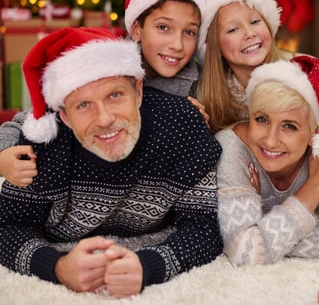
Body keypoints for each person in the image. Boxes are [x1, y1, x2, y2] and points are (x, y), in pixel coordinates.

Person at [0, 27, 223, 298]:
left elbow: (203, 227)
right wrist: (56, 266)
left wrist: (151, 265)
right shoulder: (44, 141)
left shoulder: (183, 126)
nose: (104, 119)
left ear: (138, 92)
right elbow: (8, 227)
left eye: (115, 95)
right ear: (66, 117)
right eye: (84, 105)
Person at [0, 0, 208, 186]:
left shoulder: (200, 84)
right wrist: (3, 158)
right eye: (163, 27)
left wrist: (202, 126)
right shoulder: (103, 65)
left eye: (189, 32)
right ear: (136, 29)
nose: (177, 45)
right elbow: (26, 121)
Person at [216, 55, 319, 266]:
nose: (270, 140)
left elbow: (250, 246)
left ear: (315, 133)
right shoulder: (231, 149)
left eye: (289, 126)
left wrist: (264, 237)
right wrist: (316, 185)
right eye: (261, 119)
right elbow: (245, 252)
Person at [195, 0, 319, 133]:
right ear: (215, 47)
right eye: (233, 30)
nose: (249, 33)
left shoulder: (306, 68)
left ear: (269, 25)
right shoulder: (209, 93)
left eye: (255, 22)